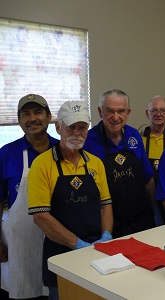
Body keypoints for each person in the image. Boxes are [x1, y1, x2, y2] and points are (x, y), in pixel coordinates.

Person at [27, 101, 113, 300]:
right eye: (71, 127)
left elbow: (106, 204)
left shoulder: (95, 163)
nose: (76, 132)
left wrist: (106, 235)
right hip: (60, 257)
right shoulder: (42, 165)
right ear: (58, 127)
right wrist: (77, 245)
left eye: (82, 127)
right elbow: (40, 216)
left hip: (96, 252)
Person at [0, 94, 58, 300]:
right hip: (22, 244)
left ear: (49, 116)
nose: (32, 118)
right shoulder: (6, 154)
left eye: (38, 112)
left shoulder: (63, 150)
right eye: (26, 114)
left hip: (58, 240)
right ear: (19, 120)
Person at [84, 89, 162, 236]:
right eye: (110, 111)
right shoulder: (88, 141)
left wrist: (155, 212)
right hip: (110, 225)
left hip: (141, 220)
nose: (116, 117)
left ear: (128, 112)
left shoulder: (134, 136)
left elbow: (148, 179)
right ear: (100, 112)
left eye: (121, 111)